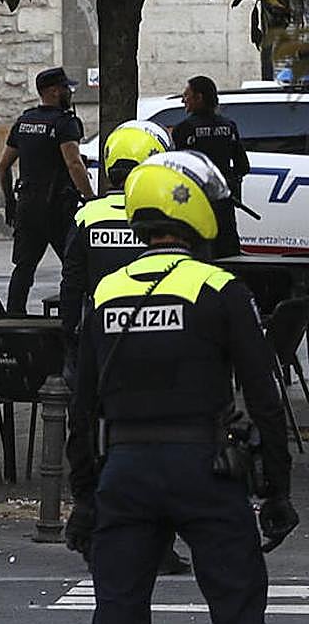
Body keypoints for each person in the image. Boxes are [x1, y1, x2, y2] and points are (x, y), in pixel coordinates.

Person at [66, 150, 298, 624]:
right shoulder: (220, 289)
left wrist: (86, 495)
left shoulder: (107, 292)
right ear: (195, 214)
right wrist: (277, 489)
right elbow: (265, 398)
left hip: (125, 469)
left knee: (118, 609)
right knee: (239, 612)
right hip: (205, 467)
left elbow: (80, 405)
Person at [59, 120, 191, 577]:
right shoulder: (163, 217)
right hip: (160, 343)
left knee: (96, 441)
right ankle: (161, 545)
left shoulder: (88, 216)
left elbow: (71, 287)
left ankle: (99, 525)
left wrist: (73, 344)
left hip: (101, 342)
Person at [0, 67, 95, 314]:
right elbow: (74, 163)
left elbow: (2, 165)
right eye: (65, 88)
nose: (69, 93)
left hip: (27, 206)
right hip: (58, 208)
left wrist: (10, 201)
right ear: (53, 92)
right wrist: (91, 199)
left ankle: (13, 318)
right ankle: (72, 317)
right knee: (75, 266)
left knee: (24, 267)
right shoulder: (65, 123)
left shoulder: (25, 121)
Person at [173, 75, 250, 257]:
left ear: (199, 97)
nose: (184, 100)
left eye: (187, 95)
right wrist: (227, 181)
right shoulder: (229, 126)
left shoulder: (184, 129)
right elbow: (243, 166)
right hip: (224, 206)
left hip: (194, 206)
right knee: (229, 258)